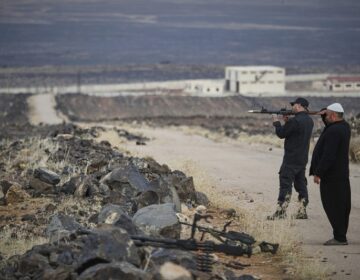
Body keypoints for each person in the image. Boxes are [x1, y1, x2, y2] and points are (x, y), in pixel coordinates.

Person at [309, 103, 351, 245]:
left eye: (326, 115)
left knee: (334, 206)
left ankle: (340, 237)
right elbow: (330, 126)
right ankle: (341, 234)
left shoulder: (334, 131)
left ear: (333, 115)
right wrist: (323, 115)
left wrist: (318, 173)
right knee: (342, 205)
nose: (325, 117)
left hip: (332, 176)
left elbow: (329, 155)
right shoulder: (344, 126)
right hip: (340, 175)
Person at [267, 97, 314, 220]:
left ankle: (281, 212)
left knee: (285, 185)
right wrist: (287, 122)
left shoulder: (295, 121)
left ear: (298, 106)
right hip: (302, 158)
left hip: (291, 159)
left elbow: (281, 134)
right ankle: (302, 211)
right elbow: (294, 132)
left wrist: (276, 121)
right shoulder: (309, 121)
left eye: (294, 105)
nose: (292, 107)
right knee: (301, 185)